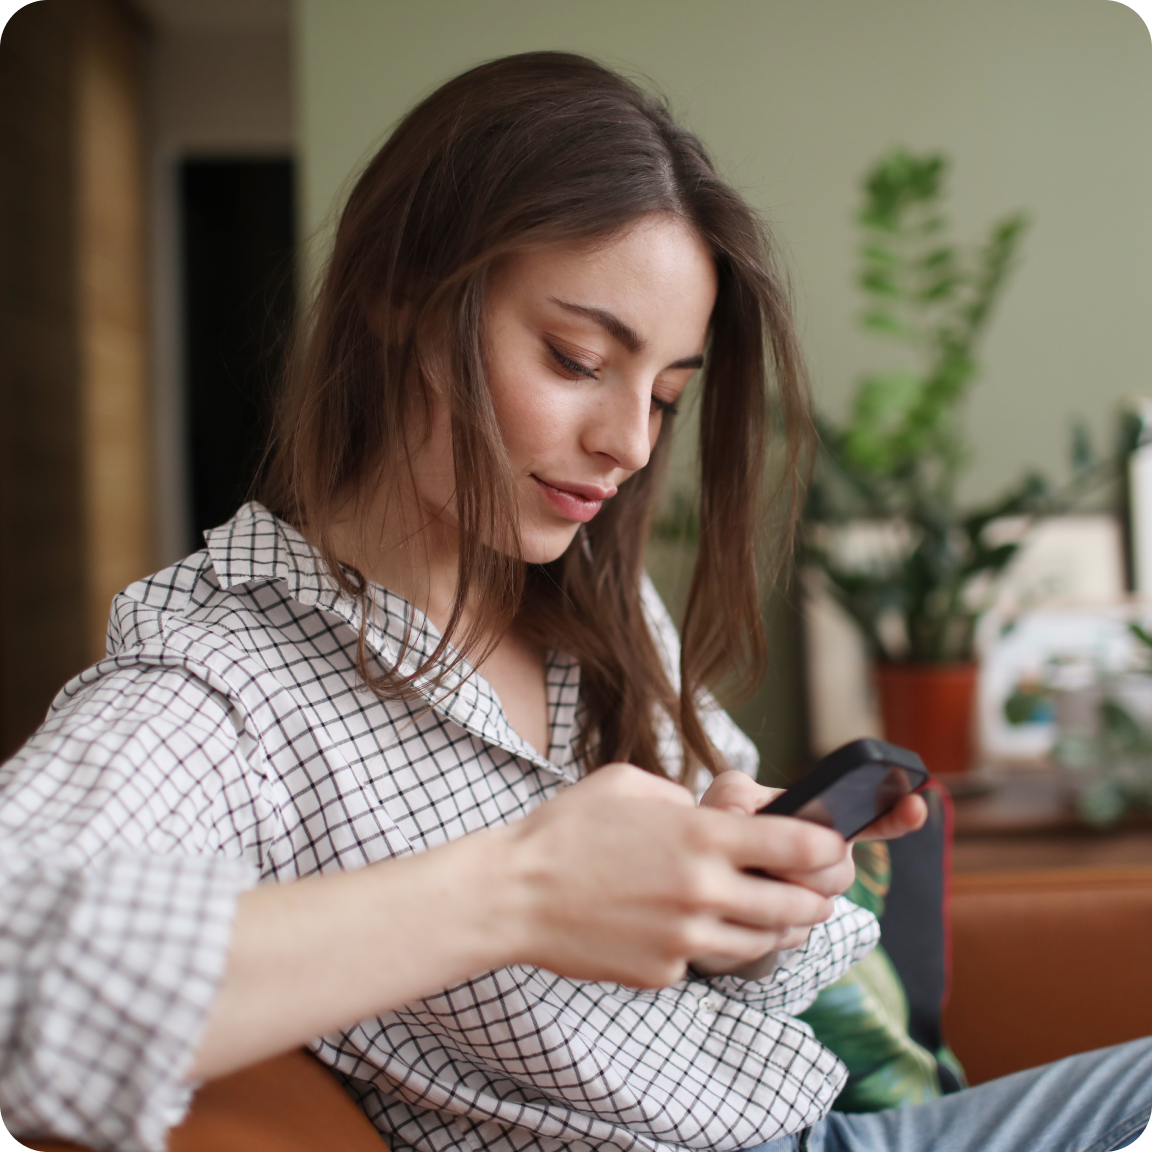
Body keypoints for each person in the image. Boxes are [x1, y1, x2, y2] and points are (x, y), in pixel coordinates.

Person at [0, 50, 1147, 1152]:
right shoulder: (222, 685)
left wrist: (758, 892)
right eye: (574, 357)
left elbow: (746, 967)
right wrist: (521, 890)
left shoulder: (595, 605)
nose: (628, 445)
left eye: (665, 394)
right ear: (404, 295)